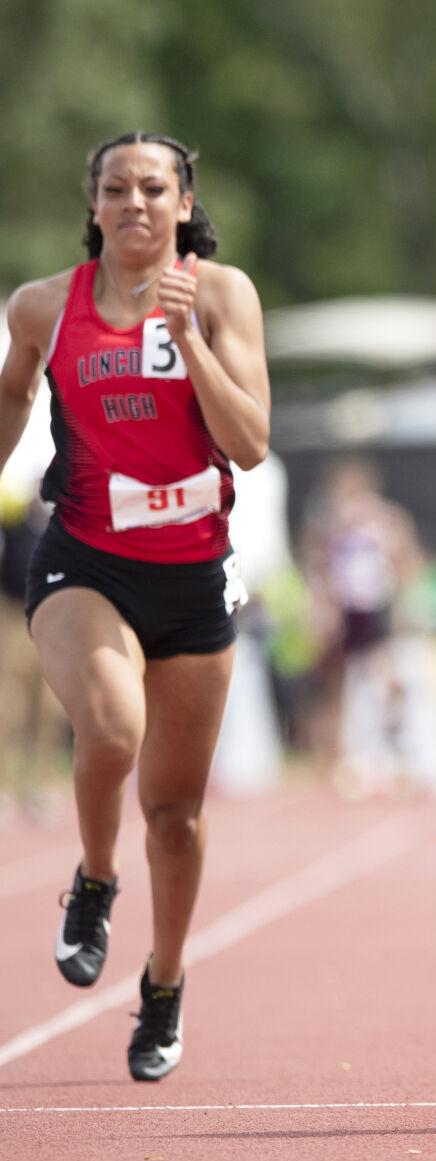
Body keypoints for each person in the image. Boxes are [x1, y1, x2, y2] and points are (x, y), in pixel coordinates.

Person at [0, 132, 270, 1079]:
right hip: (84, 563)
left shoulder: (225, 294)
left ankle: (161, 986)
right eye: (117, 189)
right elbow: (9, 400)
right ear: (95, 205)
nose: (135, 204)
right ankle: (95, 879)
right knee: (112, 729)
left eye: (154, 188)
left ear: (184, 203)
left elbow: (251, 444)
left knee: (177, 815)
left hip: (192, 578)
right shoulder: (43, 306)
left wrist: (189, 338)